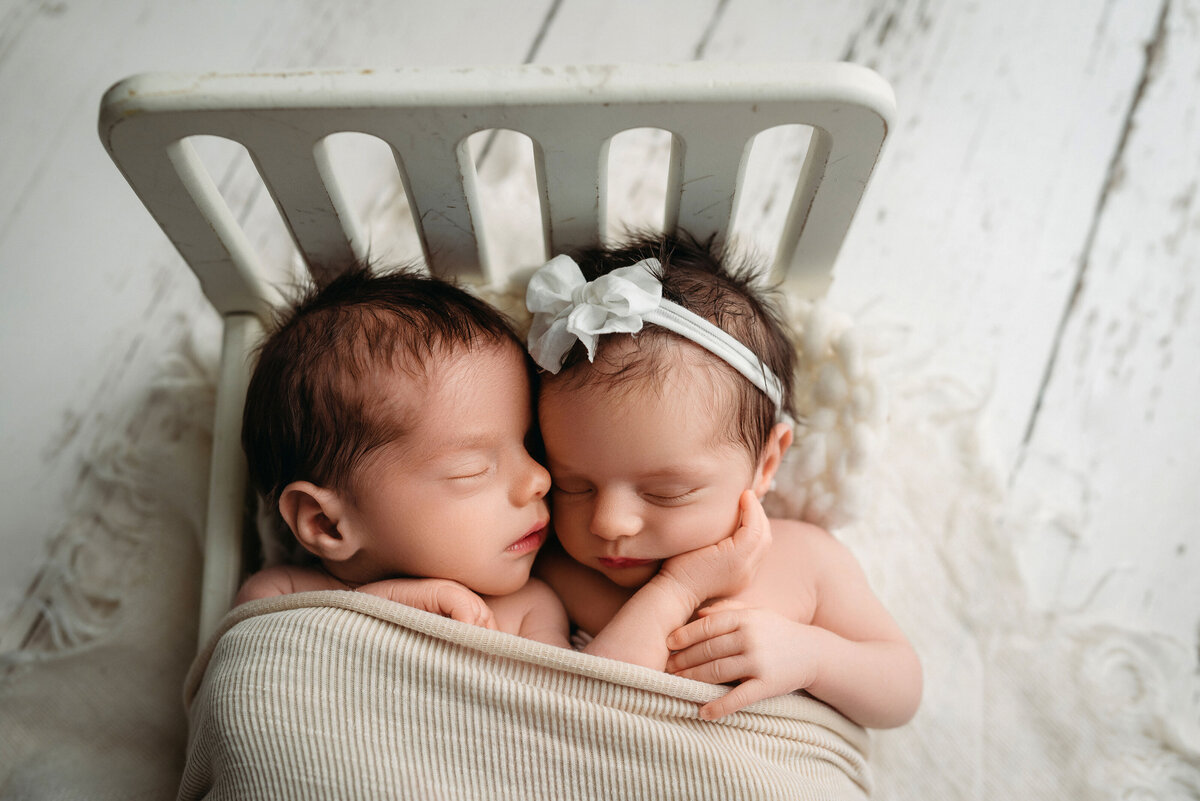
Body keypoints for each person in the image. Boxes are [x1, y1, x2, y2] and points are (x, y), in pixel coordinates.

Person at [527, 232, 924, 726]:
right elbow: (586, 715)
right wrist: (677, 591)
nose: (609, 523)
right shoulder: (558, 569)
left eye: (665, 492)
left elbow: (900, 691)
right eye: (574, 485)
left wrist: (815, 658)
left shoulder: (804, 558)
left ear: (767, 463)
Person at [233, 263, 569, 647]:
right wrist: (396, 603)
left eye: (532, 445)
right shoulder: (281, 595)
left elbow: (560, 705)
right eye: (472, 470)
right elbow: (263, 669)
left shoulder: (531, 607)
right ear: (326, 523)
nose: (539, 478)